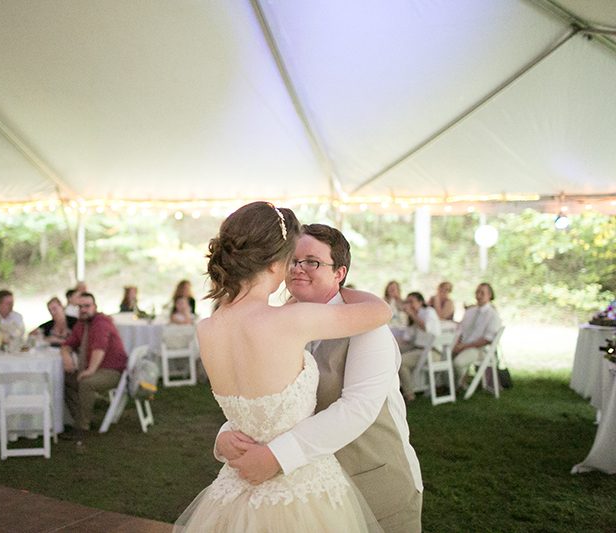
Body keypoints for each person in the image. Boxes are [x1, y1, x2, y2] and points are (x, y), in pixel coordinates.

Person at [175, 204, 391, 532]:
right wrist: (343, 285)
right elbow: (380, 311)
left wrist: (223, 439)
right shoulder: (291, 320)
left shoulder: (207, 328)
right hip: (302, 493)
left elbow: (249, 405)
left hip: (235, 488)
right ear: (277, 263)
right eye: (293, 257)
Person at [215, 223, 424, 532]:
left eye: (312, 261)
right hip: (307, 498)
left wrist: (276, 457)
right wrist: (224, 436)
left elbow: (357, 408)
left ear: (339, 273)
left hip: (374, 484)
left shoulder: (368, 328)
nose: (298, 269)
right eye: (293, 261)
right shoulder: (276, 323)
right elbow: (263, 396)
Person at [60, 292, 127, 443]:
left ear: (95, 307)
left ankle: (82, 428)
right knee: (65, 378)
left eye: (87, 306)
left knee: (86, 382)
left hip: (113, 370)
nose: (83, 309)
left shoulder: (101, 323)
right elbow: (69, 343)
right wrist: (66, 355)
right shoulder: (81, 324)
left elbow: (99, 348)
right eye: (80, 306)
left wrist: (90, 370)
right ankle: (85, 414)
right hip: (97, 368)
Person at [452, 282, 501, 388]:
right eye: (477, 292)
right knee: (443, 354)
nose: (478, 296)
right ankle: (449, 385)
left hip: (479, 349)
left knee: (458, 363)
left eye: (482, 293)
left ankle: (460, 383)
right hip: (463, 344)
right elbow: (460, 330)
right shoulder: (470, 311)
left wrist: (464, 346)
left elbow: (487, 339)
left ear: (489, 295)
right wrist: (457, 344)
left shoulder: (493, 315)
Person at [398, 292, 441, 403]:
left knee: (400, 362)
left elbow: (426, 328)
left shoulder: (429, 312)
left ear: (420, 302)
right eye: (407, 302)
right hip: (417, 348)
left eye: (411, 302)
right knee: (393, 350)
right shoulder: (414, 316)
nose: (409, 305)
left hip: (432, 352)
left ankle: (409, 394)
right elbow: (407, 337)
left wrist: (412, 314)